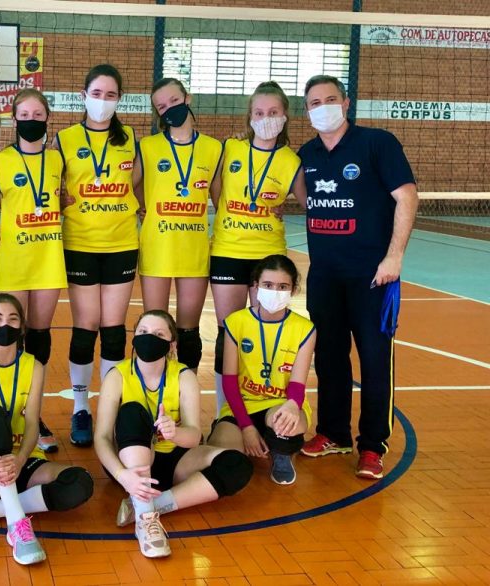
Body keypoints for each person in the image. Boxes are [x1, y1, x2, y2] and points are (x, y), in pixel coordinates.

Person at [296, 75, 418, 479]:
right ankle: (334, 433)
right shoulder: (307, 153)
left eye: (330, 99)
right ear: (307, 111)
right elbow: (307, 201)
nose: (323, 107)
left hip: (373, 276)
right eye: (315, 103)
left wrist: (394, 257)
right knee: (329, 357)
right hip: (325, 275)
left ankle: (372, 446)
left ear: (346, 103)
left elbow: (407, 196)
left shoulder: (377, 143)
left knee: (375, 359)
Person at [0, 293, 94, 566]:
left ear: (21, 327)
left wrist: (22, 457)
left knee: (80, 482)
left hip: (22, 457)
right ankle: (17, 527)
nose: (5, 324)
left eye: (13, 319)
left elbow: (33, 423)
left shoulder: (33, 366)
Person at [94, 310, 252, 558]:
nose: (149, 338)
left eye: (158, 334)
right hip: (131, 464)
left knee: (237, 464)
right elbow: (102, 438)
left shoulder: (183, 375)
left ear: (172, 344)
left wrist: (174, 433)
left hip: (175, 460)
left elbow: (194, 435)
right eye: (143, 332)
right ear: (134, 337)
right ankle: (146, 522)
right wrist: (121, 475)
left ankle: (149, 505)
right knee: (132, 411)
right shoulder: (117, 375)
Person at [53, 64, 140, 447]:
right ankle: (80, 408)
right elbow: (51, 184)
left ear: (119, 99)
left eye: (110, 95)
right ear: (83, 96)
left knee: (114, 327)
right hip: (80, 243)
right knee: (85, 326)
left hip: (121, 242)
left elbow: (137, 182)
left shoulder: (131, 138)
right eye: (97, 93)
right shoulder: (65, 139)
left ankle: (109, 407)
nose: (103, 101)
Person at [210, 81, 306, 418]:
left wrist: (284, 206)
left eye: (273, 112)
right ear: (250, 117)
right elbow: (216, 187)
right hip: (228, 250)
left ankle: (261, 408)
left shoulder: (291, 160)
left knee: (263, 332)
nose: (266, 118)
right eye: (260, 112)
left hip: (268, 255)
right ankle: (224, 413)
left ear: (285, 116)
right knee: (228, 333)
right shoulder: (231, 148)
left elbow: (309, 202)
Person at [0, 89, 67, 454]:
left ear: (47, 118)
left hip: (48, 258)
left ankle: (33, 414)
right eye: (24, 114)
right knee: (9, 338)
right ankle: (7, 412)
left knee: (39, 338)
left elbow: (65, 196)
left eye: (38, 114)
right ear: (14, 119)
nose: (31, 120)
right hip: (15, 260)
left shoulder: (58, 159)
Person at [135, 78, 222, 373]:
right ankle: (153, 388)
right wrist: (142, 205)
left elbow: (221, 199)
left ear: (188, 98)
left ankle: (187, 390)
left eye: (174, 100)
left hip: (193, 251)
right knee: (154, 328)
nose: (169, 108)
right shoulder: (147, 147)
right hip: (157, 248)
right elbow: (128, 186)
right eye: (161, 106)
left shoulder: (213, 148)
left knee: (188, 332)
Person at [207, 254, 316, 485]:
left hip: (280, 402)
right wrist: (246, 427)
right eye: (268, 285)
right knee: (224, 456)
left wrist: (292, 405)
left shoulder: (305, 329)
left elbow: (297, 385)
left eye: (282, 286)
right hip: (243, 402)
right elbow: (229, 382)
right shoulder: (236, 322)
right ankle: (240, 431)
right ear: (255, 286)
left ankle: (281, 450)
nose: (275, 291)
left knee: (286, 425)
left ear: (293, 290)